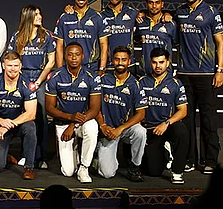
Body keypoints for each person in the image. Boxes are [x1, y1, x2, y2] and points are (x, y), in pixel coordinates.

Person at [175, 0, 223, 175]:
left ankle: (210, 160)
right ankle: (189, 160)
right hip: (185, 74)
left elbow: (220, 43)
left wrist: (219, 70)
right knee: (186, 122)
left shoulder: (212, 12)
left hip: (206, 74)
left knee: (208, 120)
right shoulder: (179, 13)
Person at [6, 4, 56, 168]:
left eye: (40, 14)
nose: (40, 17)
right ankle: (24, 153)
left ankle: (40, 157)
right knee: (20, 115)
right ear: (28, 17)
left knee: (40, 116)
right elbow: (11, 58)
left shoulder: (46, 36)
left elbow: (51, 61)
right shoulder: (17, 36)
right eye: (36, 15)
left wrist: (39, 81)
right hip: (21, 77)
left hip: (39, 78)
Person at [45, 42, 101, 183]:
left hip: (82, 122)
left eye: (77, 55)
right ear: (65, 57)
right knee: (68, 172)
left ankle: (84, 167)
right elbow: (49, 108)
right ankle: (74, 152)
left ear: (83, 56)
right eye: (70, 55)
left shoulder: (92, 77)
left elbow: (94, 109)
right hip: (62, 123)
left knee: (92, 127)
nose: (74, 58)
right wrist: (70, 118)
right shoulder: (55, 76)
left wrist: (74, 124)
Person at [0, 51, 38, 179]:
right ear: (3, 65)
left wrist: (9, 125)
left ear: (21, 66)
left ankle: (29, 168)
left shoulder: (28, 85)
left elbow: (31, 113)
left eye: (16, 65)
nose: (13, 69)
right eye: (10, 65)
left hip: (19, 124)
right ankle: (4, 155)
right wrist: (0, 121)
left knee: (30, 127)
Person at [95, 46, 147, 181]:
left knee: (140, 132)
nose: (120, 62)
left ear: (129, 62)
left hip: (125, 128)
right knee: (107, 174)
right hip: (107, 129)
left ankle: (134, 167)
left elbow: (141, 114)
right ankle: (98, 153)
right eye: (117, 59)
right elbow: (94, 107)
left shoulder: (136, 84)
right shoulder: (103, 80)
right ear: (112, 61)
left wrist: (120, 129)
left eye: (124, 60)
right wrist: (103, 125)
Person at [139, 48, 189, 184]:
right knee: (152, 172)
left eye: (161, 62)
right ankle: (166, 153)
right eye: (155, 62)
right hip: (149, 130)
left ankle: (177, 172)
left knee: (182, 131)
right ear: (150, 63)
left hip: (166, 127)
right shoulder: (142, 82)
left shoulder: (176, 84)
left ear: (167, 63)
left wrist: (166, 123)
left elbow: (183, 111)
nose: (158, 66)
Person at [53, 0, 109, 74]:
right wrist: (60, 70)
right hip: (69, 68)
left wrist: (102, 68)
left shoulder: (97, 17)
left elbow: (104, 45)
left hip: (92, 67)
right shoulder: (64, 17)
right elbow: (59, 46)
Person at [135, 0, 177, 76]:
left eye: (157, 3)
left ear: (162, 4)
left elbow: (177, 43)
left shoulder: (171, 24)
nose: (154, 6)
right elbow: (136, 39)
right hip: (144, 74)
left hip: (165, 75)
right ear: (146, 4)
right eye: (151, 3)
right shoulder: (140, 22)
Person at [100, 0, 139, 70]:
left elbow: (151, 17)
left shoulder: (133, 13)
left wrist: (166, 15)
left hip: (129, 65)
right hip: (109, 65)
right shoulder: (100, 16)